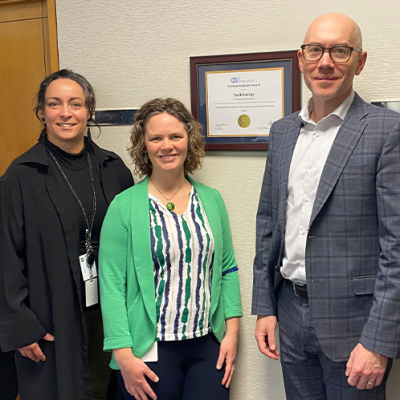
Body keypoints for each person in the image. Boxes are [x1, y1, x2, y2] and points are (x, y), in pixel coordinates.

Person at [252, 12, 400, 400]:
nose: (326, 62)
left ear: (360, 61)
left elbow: (397, 246)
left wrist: (380, 340)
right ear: (301, 59)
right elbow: (268, 224)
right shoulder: (282, 132)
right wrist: (265, 306)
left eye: (340, 51)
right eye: (316, 50)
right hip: (290, 313)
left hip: (356, 329)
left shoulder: (386, 131)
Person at [0, 69, 134, 400]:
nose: (65, 113)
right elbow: (5, 256)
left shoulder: (113, 168)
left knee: (110, 388)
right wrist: (20, 326)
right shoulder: (20, 176)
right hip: (49, 316)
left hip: (110, 312)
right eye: (54, 104)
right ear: (41, 113)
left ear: (89, 110)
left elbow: (135, 242)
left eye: (75, 104)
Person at [99, 98, 242, 400]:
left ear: (189, 140)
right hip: (149, 349)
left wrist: (232, 333)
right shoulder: (124, 206)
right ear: (144, 145)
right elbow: (111, 284)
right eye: (156, 138)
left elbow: (227, 268)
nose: (167, 146)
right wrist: (123, 356)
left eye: (175, 136)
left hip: (207, 346)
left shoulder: (211, 200)